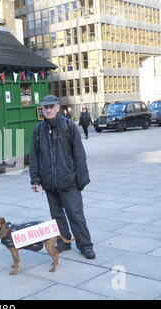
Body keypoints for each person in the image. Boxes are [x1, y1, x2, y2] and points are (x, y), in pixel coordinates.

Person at [29, 95, 95, 259]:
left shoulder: (68, 126)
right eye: (45, 107)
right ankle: (64, 241)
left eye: (51, 106)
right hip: (49, 183)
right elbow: (34, 156)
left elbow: (79, 154)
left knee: (75, 215)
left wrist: (81, 179)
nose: (48, 110)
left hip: (68, 180)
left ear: (58, 107)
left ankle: (85, 245)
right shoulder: (38, 129)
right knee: (56, 215)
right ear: (42, 110)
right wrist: (35, 179)